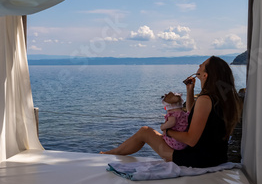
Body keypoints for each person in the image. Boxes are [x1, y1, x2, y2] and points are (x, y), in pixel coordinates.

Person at [101, 56, 242, 168]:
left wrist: (168, 132)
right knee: (148, 132)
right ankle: (113, 152)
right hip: (216, 157)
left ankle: (110, 153)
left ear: (205, 75)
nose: (198, 66)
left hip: (197, 160)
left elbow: (191, 140)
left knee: (145, 131)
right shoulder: (222, 99)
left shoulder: (205, 99)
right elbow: (195, 116)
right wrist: (190, 90)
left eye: (201, 65)